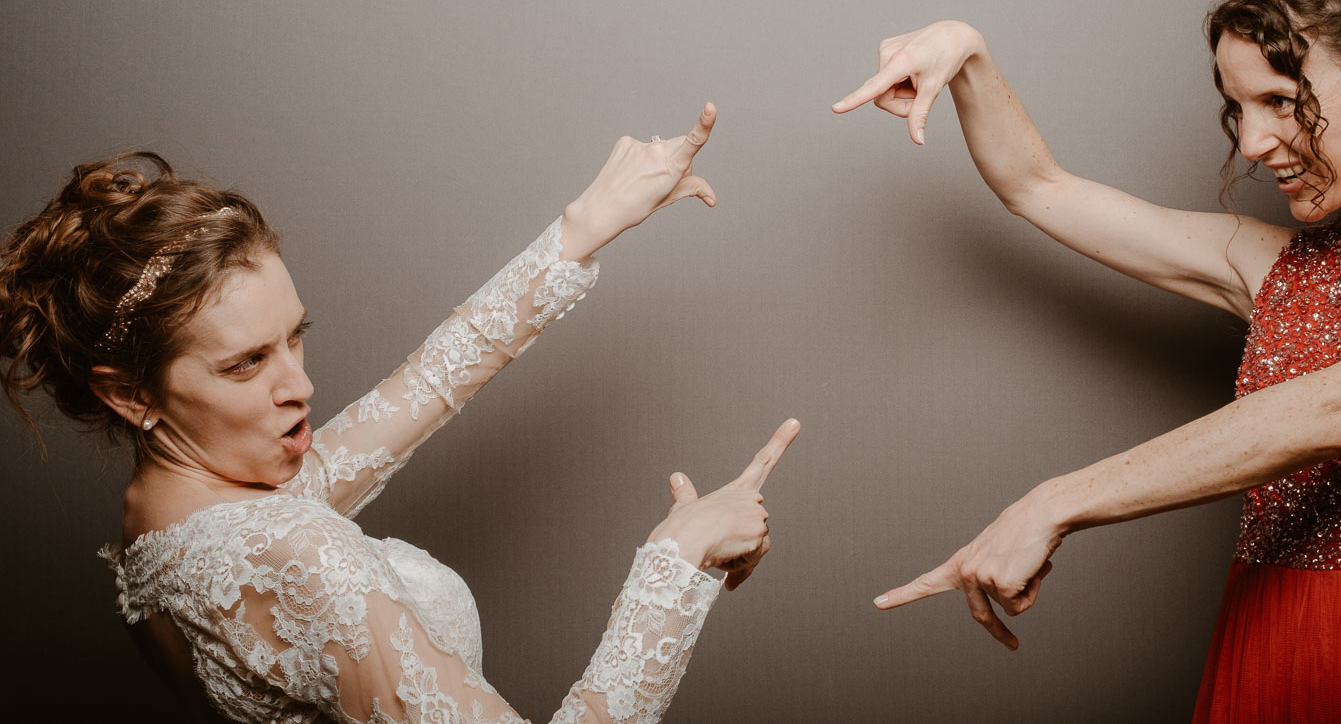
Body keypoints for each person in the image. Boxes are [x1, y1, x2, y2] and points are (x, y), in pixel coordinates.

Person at [832, 0, 1341, 721]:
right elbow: (1038, 187)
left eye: (1281, 101)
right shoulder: (1275, 266)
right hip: (1270, 654)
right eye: (1238, 106)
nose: (1252, 140)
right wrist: (967, 52)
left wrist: (1053, 502)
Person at [0, 103, 801, 724]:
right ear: (129, 393)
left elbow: (426, 386)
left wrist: (582, 228)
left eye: (295, 339)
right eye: (247, 363)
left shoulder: (172, 519)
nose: (298, 387)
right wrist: (675, 561)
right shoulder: (291, 550)